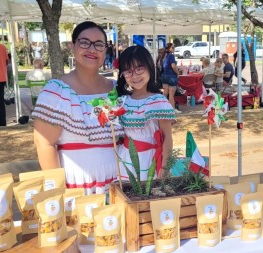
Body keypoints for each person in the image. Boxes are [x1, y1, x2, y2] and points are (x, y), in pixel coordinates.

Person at [32, 21, 124, 194]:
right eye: (84, 42)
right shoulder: (56, 91)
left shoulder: (115, 89)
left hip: (117, 181)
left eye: (99, 45)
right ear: (73, 45)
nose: (91, 49)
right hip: (76, 184)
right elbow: (44, 144)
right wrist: (59, 193)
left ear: (105, 50)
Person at [116, 45, 175, 181]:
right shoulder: (122, 101)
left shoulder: (158, 101)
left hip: (150, 160)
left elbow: (167, 137)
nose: (134, 76)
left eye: (139, 69)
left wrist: (165, 167)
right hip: (125, 158)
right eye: (128, 71)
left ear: (149, 67)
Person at [161, 42, 180, 112]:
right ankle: (173, 109)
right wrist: (177, 73)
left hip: (164, 76)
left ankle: (163, 108)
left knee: (165, 93)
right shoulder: (171, 56)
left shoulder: (163, 56)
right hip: (171, 76)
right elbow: (173, 65)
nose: (174, 48)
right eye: (172, 47)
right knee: (171, 94)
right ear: (169, 48)